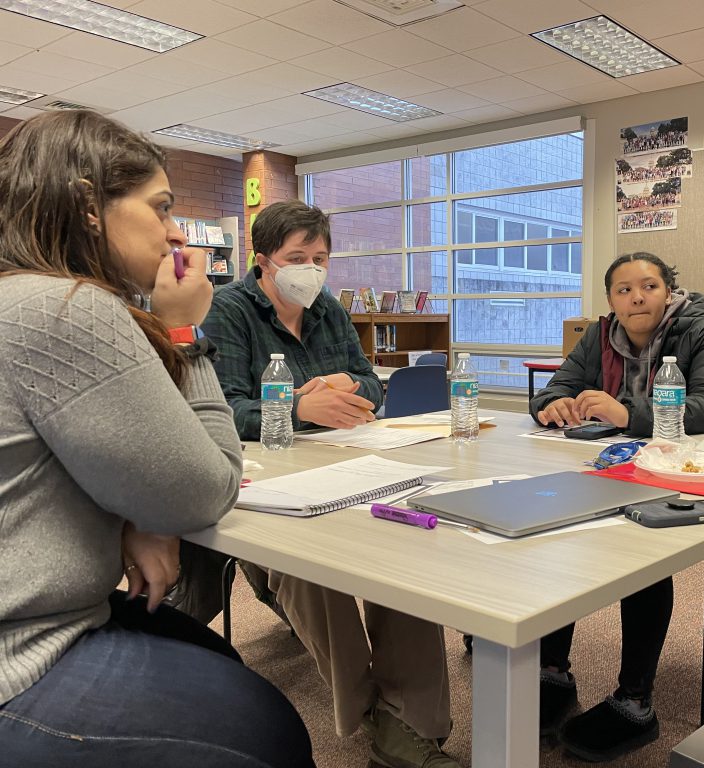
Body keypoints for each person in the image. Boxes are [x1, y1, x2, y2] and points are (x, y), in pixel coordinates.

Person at [0, 109, 313, 767]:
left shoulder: (16, 298)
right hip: (23, 652)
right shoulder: (65, 307)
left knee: (216, 657)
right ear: (89, 207)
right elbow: (204, 491)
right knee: (271, 735)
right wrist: (185, 336)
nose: (176, 231)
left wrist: (134, 516)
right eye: (162, 207)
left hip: (44, 609)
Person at [203, 199, 460, 768]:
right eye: (298, 257)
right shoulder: (228, 310)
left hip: (347, 463)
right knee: (310, 570)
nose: (312, 270)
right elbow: (222, 411)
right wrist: (299, 406)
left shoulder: (327, 309)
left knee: (404, 554)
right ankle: (377, 714)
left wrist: (350, 382)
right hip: (267, 485)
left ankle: (415, 721)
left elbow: (371, 383)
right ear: (262, 260)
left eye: (321, 258)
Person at [529, 251, 704, 761]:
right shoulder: (598, 335)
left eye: (648, 286)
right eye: (623, 290)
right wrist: (551, 405)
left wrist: (628, 411)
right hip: (605, 468)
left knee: (641, 550)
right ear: (610, 301)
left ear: (668, 290)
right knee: (555, 526)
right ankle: (551, 670)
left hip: (688, 476)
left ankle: (636, 702)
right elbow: (555, 387)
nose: (636, 297)